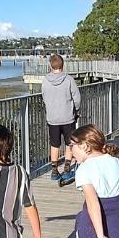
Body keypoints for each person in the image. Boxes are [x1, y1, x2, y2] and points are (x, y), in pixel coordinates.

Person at [41, 53, 81, 183]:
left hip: (52, 118)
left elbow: (44, 97)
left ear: (50, 66)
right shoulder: (69, 79)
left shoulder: (45, 80)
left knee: (54, 144)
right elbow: (77, 98)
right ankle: (67, 169)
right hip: (68, 117)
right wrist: (76, 110)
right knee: (70, 143)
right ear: (62, 65)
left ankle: (54, 171)